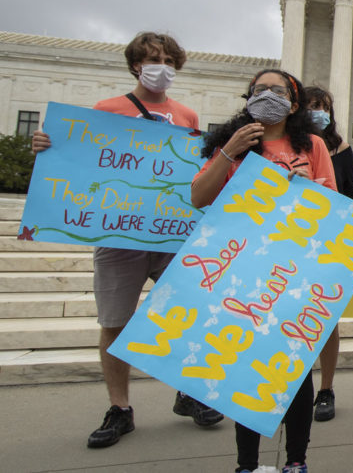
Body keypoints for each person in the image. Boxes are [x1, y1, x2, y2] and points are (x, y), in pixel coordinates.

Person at [31, 32, 224, 448]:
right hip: (118, 236)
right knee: (115, 323)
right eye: (154, 59)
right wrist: (47, 147)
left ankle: (188, 393)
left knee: (185, 316)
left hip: (171, 235)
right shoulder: (107, 109)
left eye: (170, 60)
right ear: (136, 64)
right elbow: (81, 159)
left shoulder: (187, 116)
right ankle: (120, 408)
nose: (163, 68)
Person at [192, 68, 335, 473]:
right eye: (259, 90)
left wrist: (311, 187)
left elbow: (335, 208)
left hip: (294, 269)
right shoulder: (233, 145)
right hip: (243, 269)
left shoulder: (313, 146)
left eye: (277, 90)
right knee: (245, 368)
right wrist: (228, 152)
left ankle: (296, 460)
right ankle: (247, 464)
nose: (267, 95)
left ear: (293, 103)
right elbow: (199, 198)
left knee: (296, 368)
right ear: (248, 98)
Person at [305, 85, 353, 422]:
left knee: (326, 321)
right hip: (287, 242)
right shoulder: (283, 146)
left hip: (327, 243)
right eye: (312, 105)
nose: (319, 111)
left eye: (324, 106)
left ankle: (325, 388)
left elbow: (352, 195)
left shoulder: (341, 149)